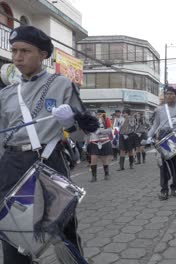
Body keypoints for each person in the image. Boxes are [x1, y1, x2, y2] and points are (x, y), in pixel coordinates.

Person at [0, 25, 98, 263]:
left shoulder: (62, 84)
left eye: (25, 51)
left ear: (43, 54)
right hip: (12, 166)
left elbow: (83, 136)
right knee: (13, 234)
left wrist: (71, 123)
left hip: (48, 162)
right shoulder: (6, 93)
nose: (17, 57)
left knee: (63, 232)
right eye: (14, 51)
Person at [147, 86, 176, 200]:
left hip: (175, 137)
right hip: (162, 136)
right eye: (167, 94)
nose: (169, 96)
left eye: (172, 94)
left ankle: (174, 187)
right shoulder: (159, 109)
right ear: (164, 96)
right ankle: (164, 190)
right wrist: (149, 136)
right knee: (163, 165)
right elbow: (155, 124)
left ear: (175, 96)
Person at [87, 109, 113, 181]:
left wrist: (101, 131)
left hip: (104, 142)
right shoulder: (92, 120)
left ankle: (106, 174)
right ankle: (94, 177)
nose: (99, 115)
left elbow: (110, 130)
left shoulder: (107, 119)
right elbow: (88, 131)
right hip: (94, 142)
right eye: (97, 113)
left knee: (104, 160)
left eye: (100, 113)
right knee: (93, 159)